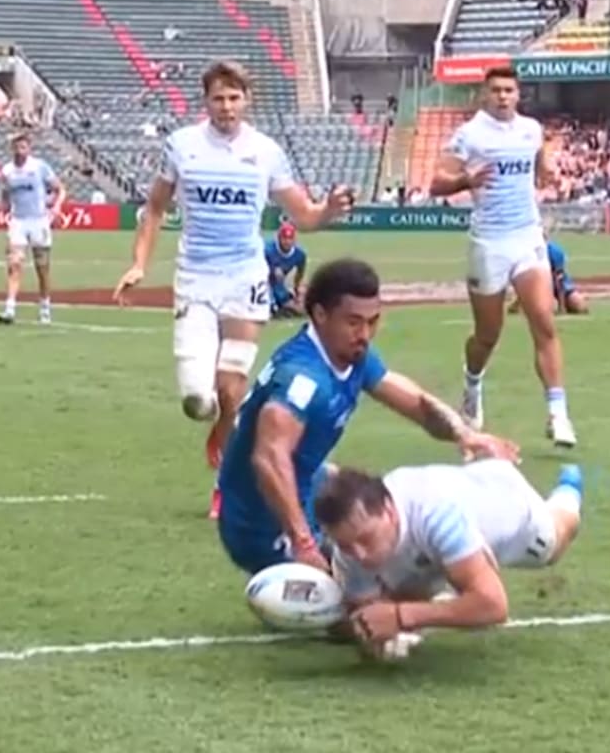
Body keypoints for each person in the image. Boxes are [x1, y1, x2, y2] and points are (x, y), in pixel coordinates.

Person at [111, 60, 352, 520]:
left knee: (231, 388)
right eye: (218, 98)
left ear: (247, 100)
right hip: (196, 281)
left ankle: (228, 484)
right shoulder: (181, 146)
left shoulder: (266, 152)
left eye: (234, 97)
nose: (226, 106)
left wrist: (330, 210)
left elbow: (303, 216)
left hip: (245, 279)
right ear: (206, 101)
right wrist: (139, 264)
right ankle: (223, 429)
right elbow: (155, 209)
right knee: (198, 400)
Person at [217, 257, 521, 576]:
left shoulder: (349, 353)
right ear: (320, 314)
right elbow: (268, 457)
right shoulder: (303, 378)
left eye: (372, 321)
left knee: (389, 533)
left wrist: (465, 434)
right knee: (360, 605)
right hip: (259, 525)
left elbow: (415, 403)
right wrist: (303, 543)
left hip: (312, 485)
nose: (364, 333)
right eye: (353, 321)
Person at [429, 66, 577, 448]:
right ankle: (472, 382)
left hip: (527, 236)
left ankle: (558, 414)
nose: (503, 96)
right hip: (489, 243)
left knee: (544, 319)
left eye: (509, 90)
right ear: (484, 94)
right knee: (487, 335)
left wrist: (546, 171)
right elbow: (437, 182)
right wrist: (465, 181)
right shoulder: (469, 135)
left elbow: (540, 159)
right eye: (495, 90)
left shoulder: (530, 129)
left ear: (518, 94)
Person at [313, 459, 584, 659]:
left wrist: (401, 615)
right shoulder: (348, 549)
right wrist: (372, 633)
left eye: (366, 539)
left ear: (388, 511)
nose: (358, 554)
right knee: (409, 587)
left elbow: (494, 607)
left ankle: (568, 491)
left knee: (556, 541)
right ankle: (443, 585)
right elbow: (367, 615)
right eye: (346, 545)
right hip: (449, 513)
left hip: (508, 503)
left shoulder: (436, 515)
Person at [0, 132, 66, 326]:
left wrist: (56, 207)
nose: (20, 151)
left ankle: (45, 307)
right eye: (16, 147)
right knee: (14, 264)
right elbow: (4, 198)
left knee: (42, 269)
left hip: (38, 221)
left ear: (29, 149)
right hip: (18, 222)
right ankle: (9, 308)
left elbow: (60, 189)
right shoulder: (7, 171)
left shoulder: (39, 167)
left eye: (23, 147)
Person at [509, 226, 588, 315]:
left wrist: (562, 307)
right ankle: (522, 303)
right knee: (550, 307)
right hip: (539, 287)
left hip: (558, 286)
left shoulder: (556, 252)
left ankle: (566, 302)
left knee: (580, 307)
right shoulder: (528, 253)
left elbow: (560, 280)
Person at [264, 222, 307, 318]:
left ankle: (281, 304)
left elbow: (300, 275)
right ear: (279, 238)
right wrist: (272, 269)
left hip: (278, 286)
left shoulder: (300, 254)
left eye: (290, 238)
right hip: (263, 283)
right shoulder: (267, 250)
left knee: (299, 310)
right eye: (284, 238)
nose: (287, 242)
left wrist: (298, 290)